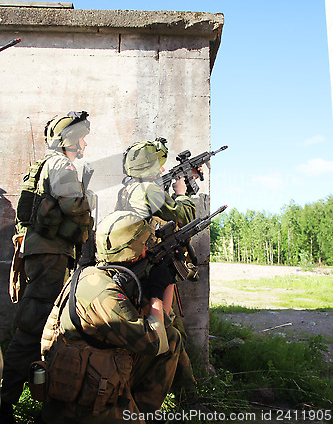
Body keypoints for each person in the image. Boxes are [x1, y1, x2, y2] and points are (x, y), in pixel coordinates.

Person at [39, 210, 182, 424]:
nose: (149, 246)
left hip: (94, 370)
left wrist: (168, 275)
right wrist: (158, 290)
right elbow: (154, 343)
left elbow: (162, 328)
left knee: (172, 337)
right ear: (134, 252)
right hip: (83, 397)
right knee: (165, 341)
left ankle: (142, 411)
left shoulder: (96, 274)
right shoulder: (104, 293)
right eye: (146, 243)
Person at [0, 111, 94, 424]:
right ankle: (5, 402)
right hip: (51, 253)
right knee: (33, 328)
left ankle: (36, 396)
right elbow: (72, 205)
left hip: (41, 251)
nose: (83, 143)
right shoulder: (62, 165)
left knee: (40, 326)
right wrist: (88, 197)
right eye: (80, 136)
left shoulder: (44, 165)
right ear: (68, 138)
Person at [116, 138, 201, 406]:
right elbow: (183, 215)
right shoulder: (148, 190)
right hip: (151, 270)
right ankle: (179, 400)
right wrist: (183, 191)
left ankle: (189, 396)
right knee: (169, 330)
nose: (162, 170)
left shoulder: (128, 189)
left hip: (139, 268)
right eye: (158, 165)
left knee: (171, 330)